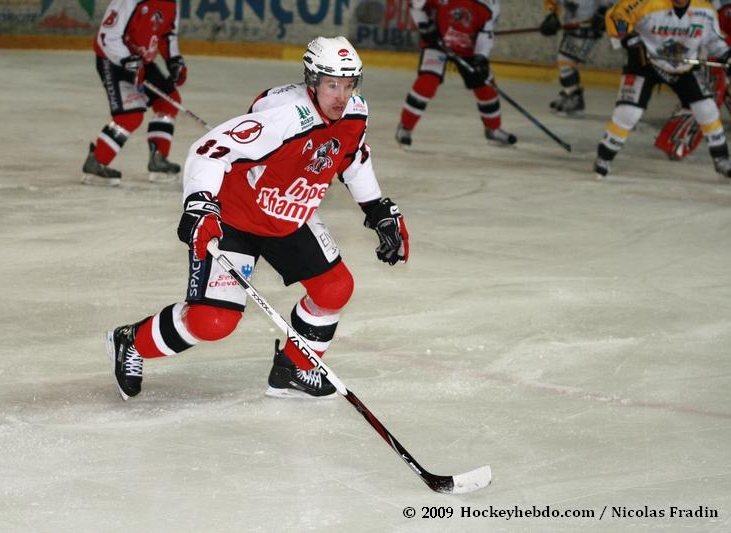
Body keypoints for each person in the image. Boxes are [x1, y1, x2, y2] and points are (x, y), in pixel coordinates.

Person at [105, 36, 410, 401]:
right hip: (235, 218)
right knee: (212, 321)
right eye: (332, 85)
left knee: (334, 287)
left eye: (348, 85)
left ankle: (292, 370)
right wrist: (200, 204)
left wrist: (376, 208)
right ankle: (131, 341)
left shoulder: (355, 112)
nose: (341, 96)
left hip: (289, 216)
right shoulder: (286, 117)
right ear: (313, 81)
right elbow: (208, 151)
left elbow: (352, 156)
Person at [594, 0, 731, 179]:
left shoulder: (705, 10)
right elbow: (616, 16)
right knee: (628, 112)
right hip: (645, 63)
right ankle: (604, 156)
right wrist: (628, 37)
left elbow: (714, 40)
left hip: (683, 67)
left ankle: (722, 158)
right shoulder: (646, 3)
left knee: (707, 109)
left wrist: (727, 56)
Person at [82, 0, 188, 186]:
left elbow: (167, 35)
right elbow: (107, 36)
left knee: (168, 102)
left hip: (141, 62)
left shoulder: (172, 3)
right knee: (130, 116)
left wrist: (174, 61)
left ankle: (158, 159)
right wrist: (127, 61)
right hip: (114, 61)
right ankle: (96, 161)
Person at [395, 0, 517, 148]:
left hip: (468, 49)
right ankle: (405, 127)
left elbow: (486, 33)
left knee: (486, 86)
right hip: (437, 42)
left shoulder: (491, 4)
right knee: (427, 82)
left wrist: (481, 58)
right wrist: (424, 25)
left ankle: (493, 129)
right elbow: (416, 5)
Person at [654, 0, 731, 160]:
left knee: (708, 96)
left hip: (715, 40)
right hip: (713, 44)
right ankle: (675, 141)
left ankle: (674, 142)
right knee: (704, 97)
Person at [539, 0, 616, 115]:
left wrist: (603, 13)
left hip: (589, 26)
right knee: (565, 60)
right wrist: (552, 15)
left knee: (565, 60)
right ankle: (570, 93)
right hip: (572, 25)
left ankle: (574, 97)